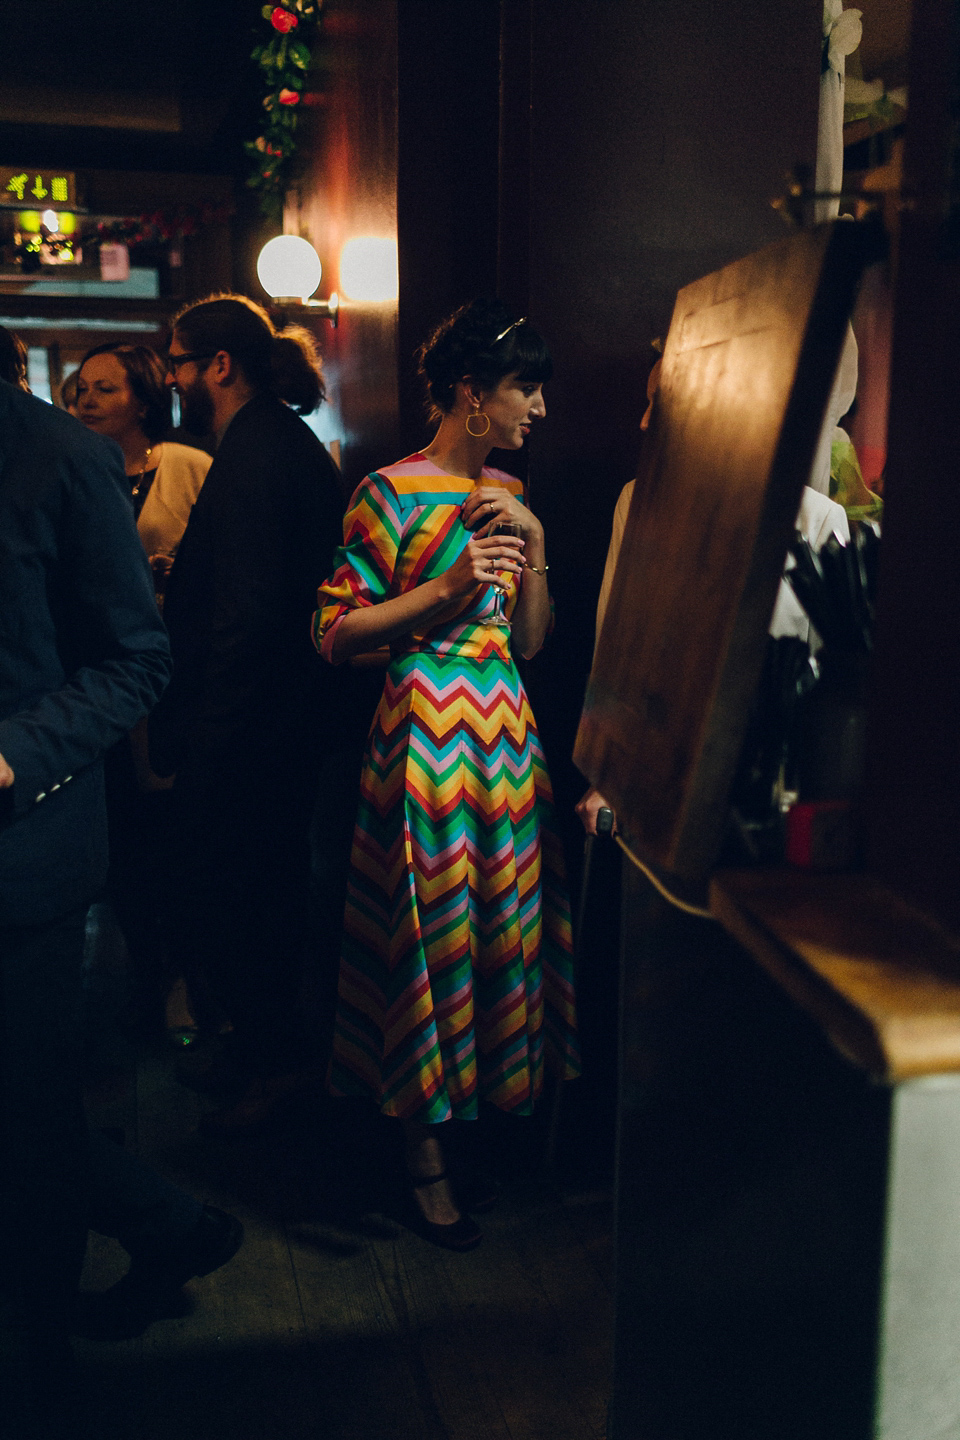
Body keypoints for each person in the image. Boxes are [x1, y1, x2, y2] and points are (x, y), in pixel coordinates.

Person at [313, 299, 580, 1251]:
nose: (539, 408)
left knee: (495, 935)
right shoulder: (387, 493)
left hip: (506, 737)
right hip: (424, 732)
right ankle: (420, 1165)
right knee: (427, 938)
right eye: (526, 388)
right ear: (473, 394)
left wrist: (536, 549)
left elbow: (531, 645)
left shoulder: (508, 489)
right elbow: (335, 635)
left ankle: (474, 1136)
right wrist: (445, 588)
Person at [0, 378, 239, 1435]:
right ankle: (173, 1225)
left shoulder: (58, 457)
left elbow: (139, 661)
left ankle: (33, 1377)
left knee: (23, 1131)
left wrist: (11, 758)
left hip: (23, 862)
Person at [149, 294, 345, 1129]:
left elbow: (253, 611)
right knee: (254, 894)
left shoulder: (259, 448)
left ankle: (278, 1070)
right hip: (270, 723)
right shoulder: (268, 440)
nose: (175, 376)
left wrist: (208, 739)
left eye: (181, 362)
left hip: (254, 731)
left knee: (250, 898)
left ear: (217, 367)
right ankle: (265, 1057)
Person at [76, 341, 211, 598]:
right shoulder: (74, 471)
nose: (88, 401)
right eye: (82, 389)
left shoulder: (191, 466)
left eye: (104, 389)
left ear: (144, 403)